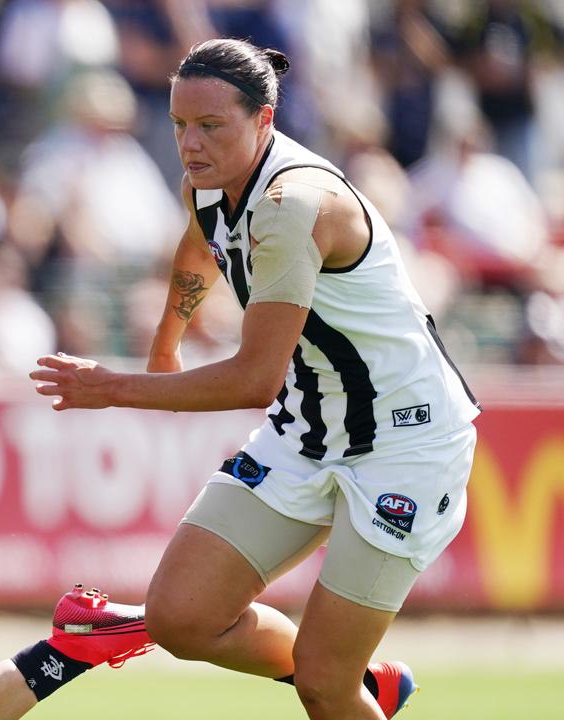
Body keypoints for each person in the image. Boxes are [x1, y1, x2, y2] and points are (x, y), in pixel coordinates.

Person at [28, 38, 480, 719]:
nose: (191, 143)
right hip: (309, 428)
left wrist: (115, 387)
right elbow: (198, 247)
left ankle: (346, 685)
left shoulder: (295, 203)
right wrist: (165, 345)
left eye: (212, 126)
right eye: (180, 125)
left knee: (323, 684)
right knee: (180, 617)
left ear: (264, 120)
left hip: (404, 444)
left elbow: (253, 380)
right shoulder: (207, 181)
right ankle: (370, 688)